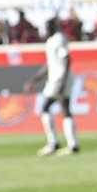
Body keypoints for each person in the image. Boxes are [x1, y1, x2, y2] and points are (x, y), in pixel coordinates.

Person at [33, 19, 79, 156]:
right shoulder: (51, 41)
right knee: (65, 109)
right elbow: (50, 64)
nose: (45, 30)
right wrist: (35, 79)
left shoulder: (58, 39)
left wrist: (63, 82)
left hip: (59, 79)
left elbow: (66, 59)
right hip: (57, 78)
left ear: (53, 27)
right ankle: (72, 144)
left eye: (47, 27)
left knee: (46, 107)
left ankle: (53, 143)